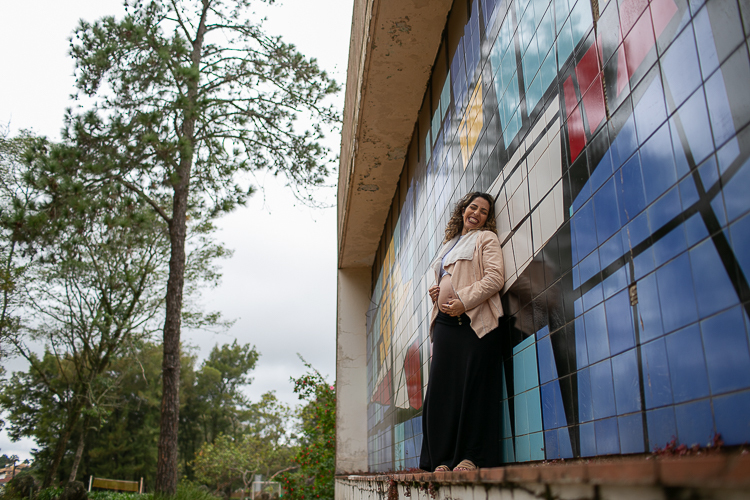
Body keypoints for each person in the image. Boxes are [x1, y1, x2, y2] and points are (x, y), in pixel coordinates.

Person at [419, 191, 505, 472]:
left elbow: (495, 278)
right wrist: (437, 293)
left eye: (483, 211)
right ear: (463, 210)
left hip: (473, 323)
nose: (476, 213)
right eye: (473, 207)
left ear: (487, 219)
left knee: (474, 391)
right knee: (442, 393)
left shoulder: (486, 239)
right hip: (445, 325)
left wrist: (463, 301)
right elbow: (449, 278)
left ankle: (471, 457)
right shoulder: (449, 244)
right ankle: (442, 459)